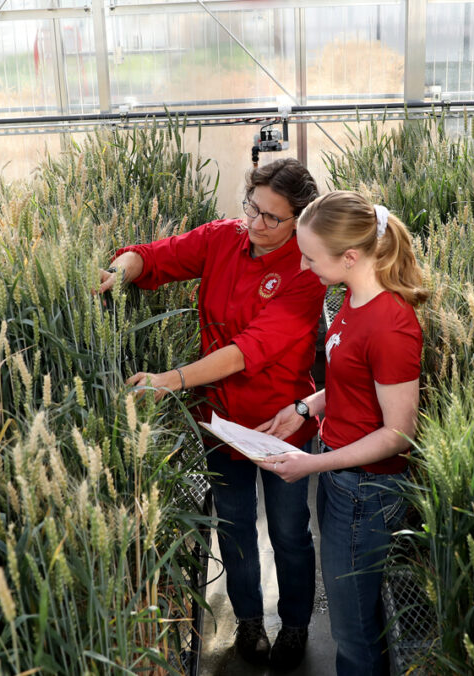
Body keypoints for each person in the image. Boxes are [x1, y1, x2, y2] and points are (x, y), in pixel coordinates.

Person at [97, 158, 324, 669]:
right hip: (221, 420)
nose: (256, 224)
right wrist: (121, 269)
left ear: (300, 221)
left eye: (272, 218)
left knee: (289, 529)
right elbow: (157, 257)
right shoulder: (224, 238)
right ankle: (249, 623)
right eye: (252, 208)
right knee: (236, 524)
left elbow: (250, 349)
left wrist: (169, 380)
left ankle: (296, 625)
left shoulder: (308, 270)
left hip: (282, 422)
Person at [256, 191, 426, 676]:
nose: (305, 267)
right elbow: (351, 381)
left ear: (350, 257)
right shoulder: (352, 297)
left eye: (310, 257)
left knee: (353, 632)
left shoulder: (392, 325)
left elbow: (398, 433)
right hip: (341, 475)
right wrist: (304, 408)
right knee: (351, 616)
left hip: (366, 490)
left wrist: (311, 464)